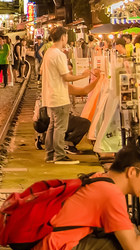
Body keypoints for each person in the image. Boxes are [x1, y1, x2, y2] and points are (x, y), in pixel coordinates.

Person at [42, 26, 102, 164]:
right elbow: (66, 77)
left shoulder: (48, 53)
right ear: (63, 37)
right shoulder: (59, 54)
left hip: (50, 94)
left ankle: (50, 155)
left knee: (53, 126)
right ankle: (59, 155)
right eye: (66, 37)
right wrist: (83, 75)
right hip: (59, 95)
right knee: (60, 127)